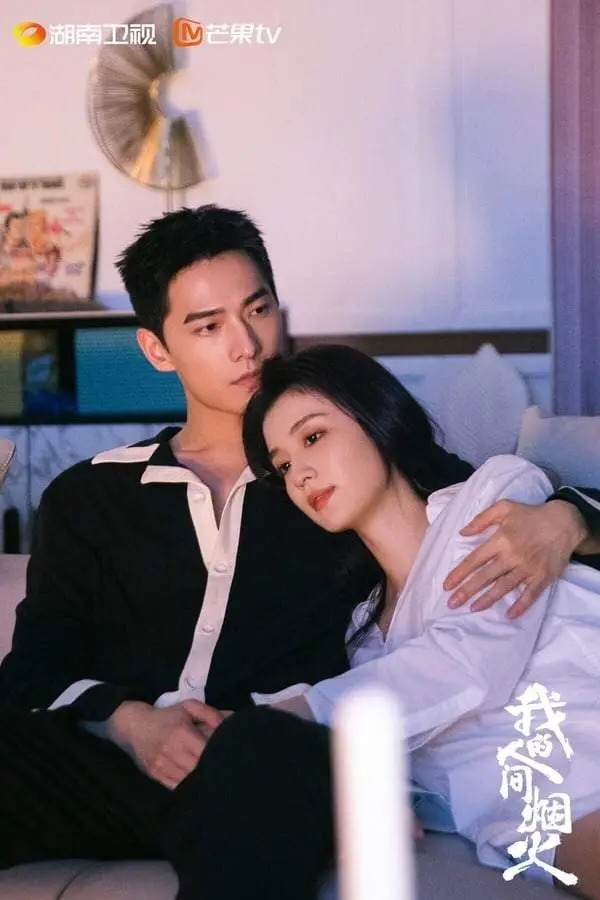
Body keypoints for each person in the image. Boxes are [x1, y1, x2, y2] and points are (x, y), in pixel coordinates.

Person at [0, 206, 597, 900]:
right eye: (208, 326)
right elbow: (31, 672)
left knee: (258, 752)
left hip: (269, 769)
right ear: (157, 349)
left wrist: (570, 516)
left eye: (257, 310)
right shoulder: (90, 496)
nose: (246, 345)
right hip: (115, 767)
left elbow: (464, 504)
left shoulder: (339, 488)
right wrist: (129, 722)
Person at [218, 343, 600, 897]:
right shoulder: (361, 641)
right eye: (283, 466)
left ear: (374, 415)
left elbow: (473, 661)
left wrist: (293, 714)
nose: (300, 474)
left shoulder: (492, 499)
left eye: (313, 437)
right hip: (536, 814)